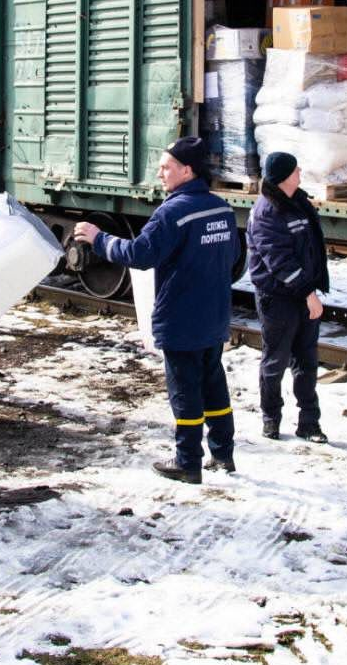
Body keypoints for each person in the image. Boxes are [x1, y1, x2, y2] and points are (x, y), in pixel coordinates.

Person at [73, 136, 237, 484]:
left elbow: (139, 255)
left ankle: (188, 461)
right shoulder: (221, 209)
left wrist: (98, 238)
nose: (160, 173)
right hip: (214, 316)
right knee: (213, 385)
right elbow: (233, 258)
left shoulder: (173, 213)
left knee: (185, 392)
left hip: (182, 318)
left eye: (167, 167)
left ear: (187, 170)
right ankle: (223, 454)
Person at [245, 151, 329, 443]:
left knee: (306, 360)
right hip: (277, 297)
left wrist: (313, 286)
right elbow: (279, 262)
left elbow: (311, 247)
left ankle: (309, 423)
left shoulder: (298, 203)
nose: (300, 172)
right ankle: (271, 420)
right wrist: (308, 293)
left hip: (303, 293)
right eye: (295, 170)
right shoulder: (266, 212)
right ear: (283, 177)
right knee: (275, 361)